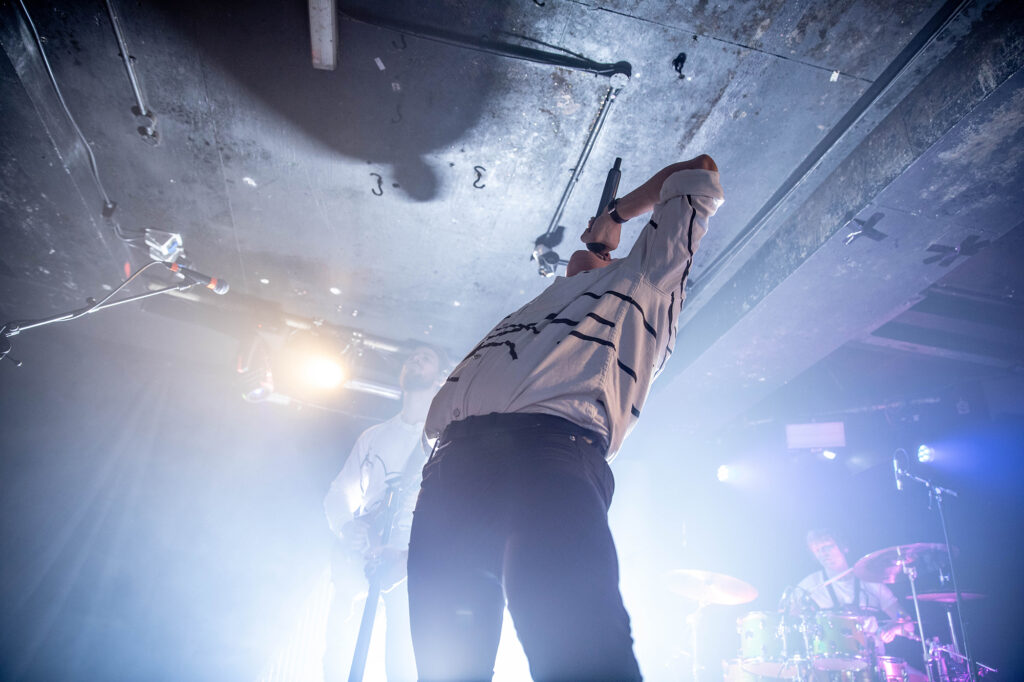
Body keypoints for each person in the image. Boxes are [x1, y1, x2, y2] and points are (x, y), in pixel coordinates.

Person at [407, 155, 723, 681]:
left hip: (548, 458)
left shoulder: (647, 282)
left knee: (580, 654)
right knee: (445, 670)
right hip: (451, 469)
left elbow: (699, 171)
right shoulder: (539, 307)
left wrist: (617, 216)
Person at [322, 345, 446, 682]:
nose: (415, 359)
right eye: (412, 356)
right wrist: (348, 527)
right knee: (339, 649)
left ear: (439, 380)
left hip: (409, 557)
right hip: (362, 555)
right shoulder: (374, 436)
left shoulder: (444, 441)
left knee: (402, 654)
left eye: (425, 357)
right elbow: (340, 492)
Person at [793, 529, 916, 649]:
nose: (823, 553)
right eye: (817, 550)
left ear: (843, 547)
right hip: (828, 663)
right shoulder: (809, 587)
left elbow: (907, 623)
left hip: (875, 662)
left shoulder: (871, 581)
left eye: (827, 546)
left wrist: (893, 628)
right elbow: (788, 621)